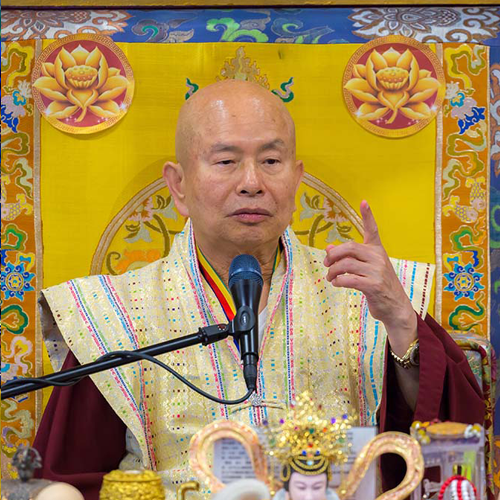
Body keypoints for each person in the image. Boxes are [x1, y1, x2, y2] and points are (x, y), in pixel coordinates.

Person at [33, 80, 485, 499]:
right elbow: (66, 480)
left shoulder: (364, 293)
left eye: (270, 161)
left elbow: (452, 451)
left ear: (296, 177)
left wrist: (402, 322)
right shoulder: (112, 315)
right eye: (226, 161)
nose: (252, 183)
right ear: (179, 185)